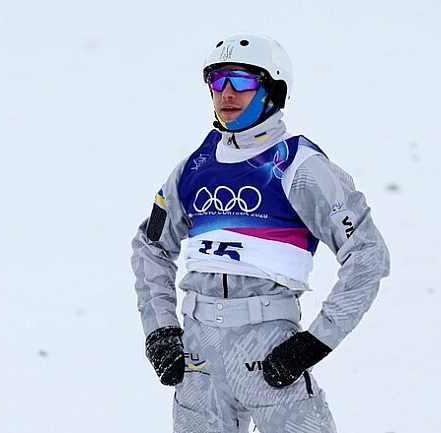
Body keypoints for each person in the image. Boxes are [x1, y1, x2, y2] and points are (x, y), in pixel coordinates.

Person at [131, 32, 390, 433]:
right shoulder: (194, 167)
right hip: (199, 360)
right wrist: (160, 330)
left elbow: (368, 255)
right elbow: (151, 245)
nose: (226, 93)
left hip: (268, 353)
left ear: (274, 89)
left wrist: (316, 342)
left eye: (242, 81)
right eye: (217, 80)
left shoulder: (299, 166)